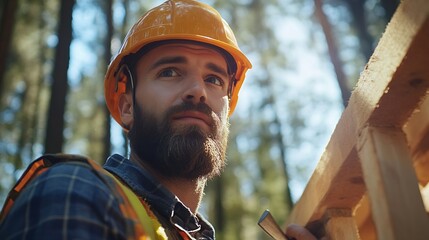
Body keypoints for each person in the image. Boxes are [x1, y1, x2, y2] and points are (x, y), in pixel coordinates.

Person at [0, 0, 316, 239]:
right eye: (169, 72)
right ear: (127, 106)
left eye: (215, 79)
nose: (198, 91)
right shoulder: (78, 190)